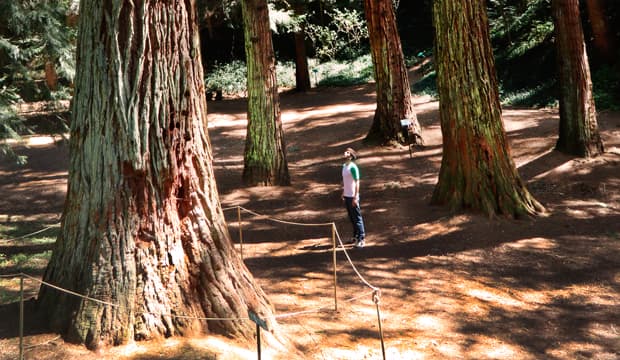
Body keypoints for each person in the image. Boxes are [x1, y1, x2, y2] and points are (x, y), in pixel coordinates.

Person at [341, 147, 366, 248]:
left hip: (353, 196)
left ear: (351, 156)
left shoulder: (353, 167)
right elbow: (345, 181)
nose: (345, 153)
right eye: (345, 151)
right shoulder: (344, 166)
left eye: (347, 152)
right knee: (351, 218)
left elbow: (357, 181)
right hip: (347, 195)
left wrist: (356, 196)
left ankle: (362, 238)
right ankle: (355, 236)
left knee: (357, 218)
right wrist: (343, 192)